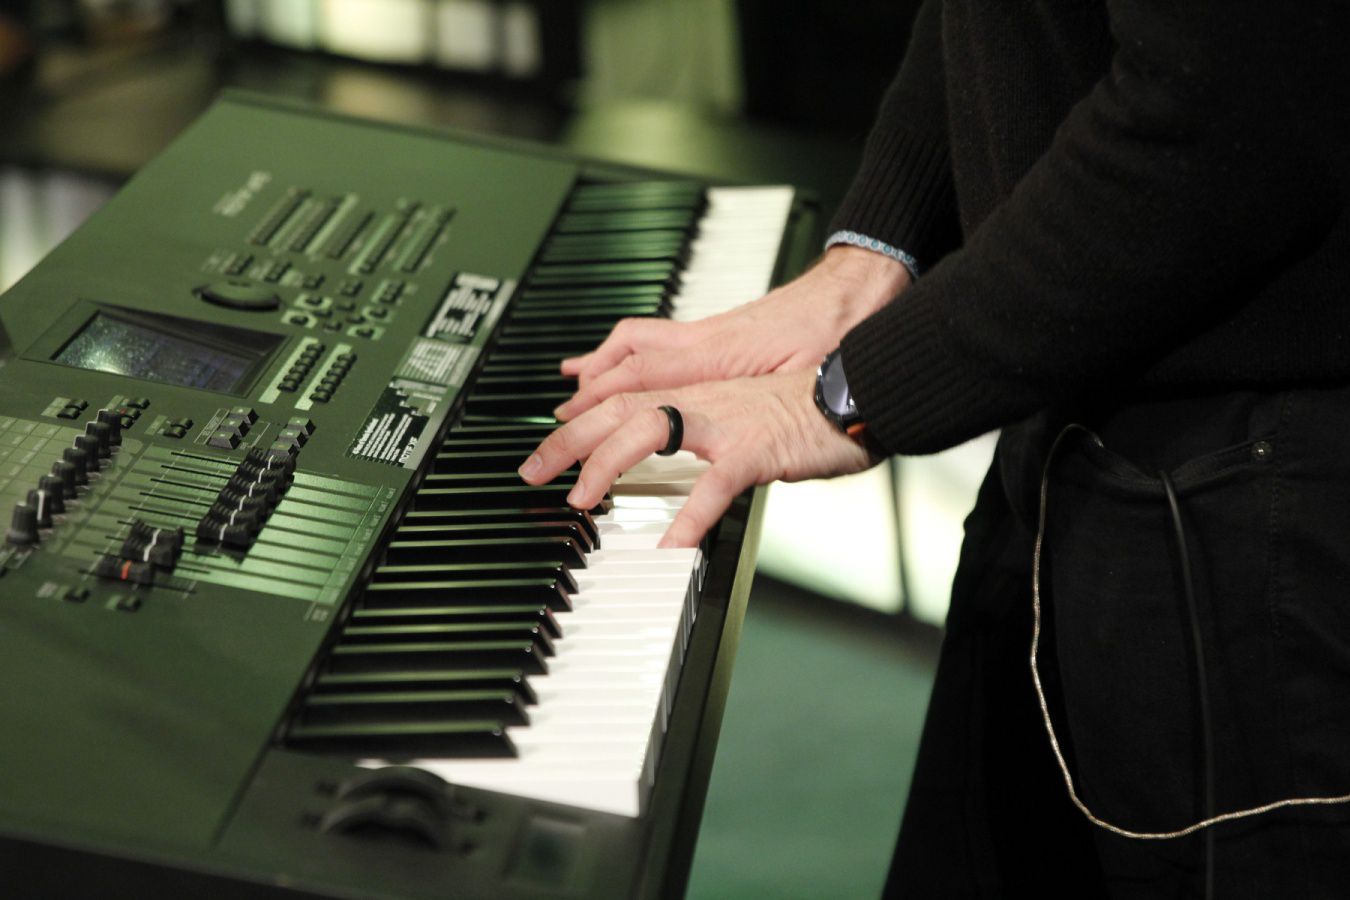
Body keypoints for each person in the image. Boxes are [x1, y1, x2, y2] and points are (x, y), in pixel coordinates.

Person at [520, 2, 1350, 896]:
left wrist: (853, 392)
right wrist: (871, 255)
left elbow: (1227, 108)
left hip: (1260, 500)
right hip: (1076, 412)